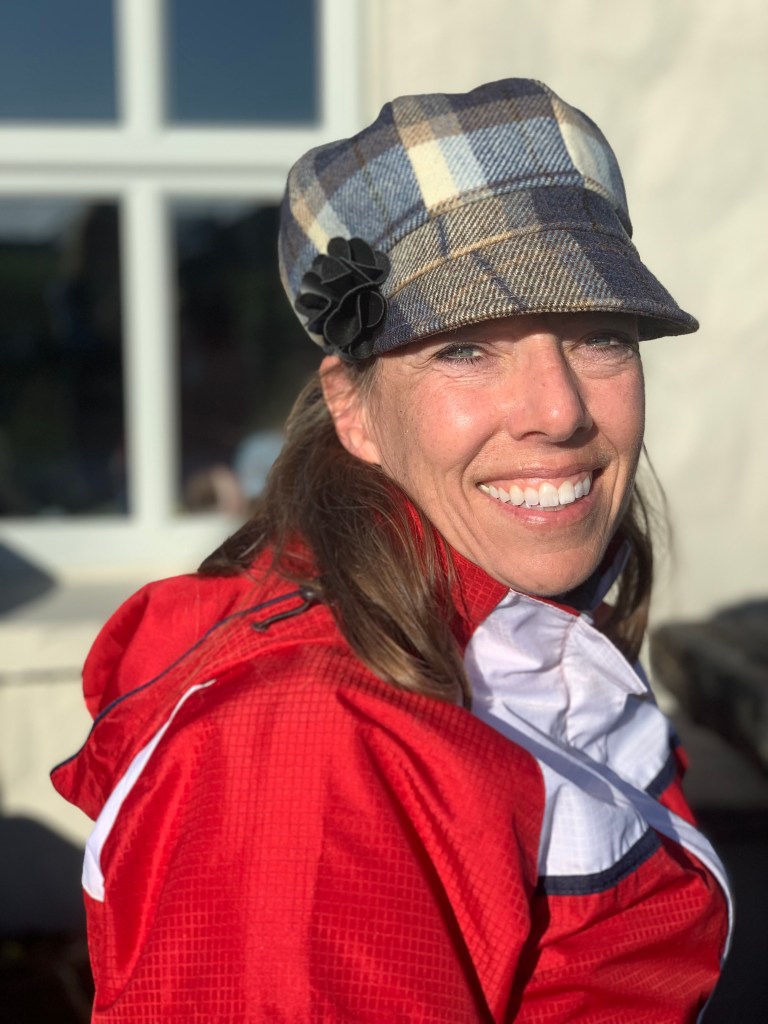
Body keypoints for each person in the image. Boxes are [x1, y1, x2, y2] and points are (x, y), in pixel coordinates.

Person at [52, 79, 730, 1022]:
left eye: (601, 336)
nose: (561, 410)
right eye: (466, 349)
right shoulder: (306, 753)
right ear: (354, 409)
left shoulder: (523, 623)